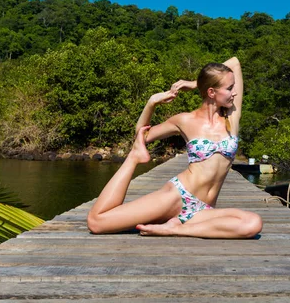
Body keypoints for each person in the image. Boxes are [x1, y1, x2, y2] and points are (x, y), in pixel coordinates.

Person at [87, 57, 263, 238]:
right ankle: (133, 159)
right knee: (97, 222)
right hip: (177, 196)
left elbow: (234, 62)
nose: (234, 93)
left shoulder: (232, 116)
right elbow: (143, 134)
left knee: (253, 223)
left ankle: (174, 228)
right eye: (229, 88)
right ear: (211, 92)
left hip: (203, 210)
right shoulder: (185, 120)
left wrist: (195, 83)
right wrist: (151, 103)